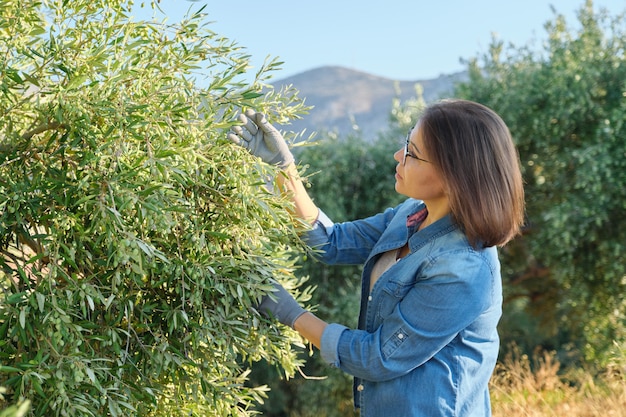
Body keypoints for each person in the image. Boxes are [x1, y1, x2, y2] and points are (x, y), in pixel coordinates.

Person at [228, 99, 525, 417]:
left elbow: (378, 357)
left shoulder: (464, 270)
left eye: (412, 154)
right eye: (405, 143)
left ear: (454, 177)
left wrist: (288, 312)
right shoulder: (412, 215)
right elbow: (332, 242)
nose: (399, 156)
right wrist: (283, 171)